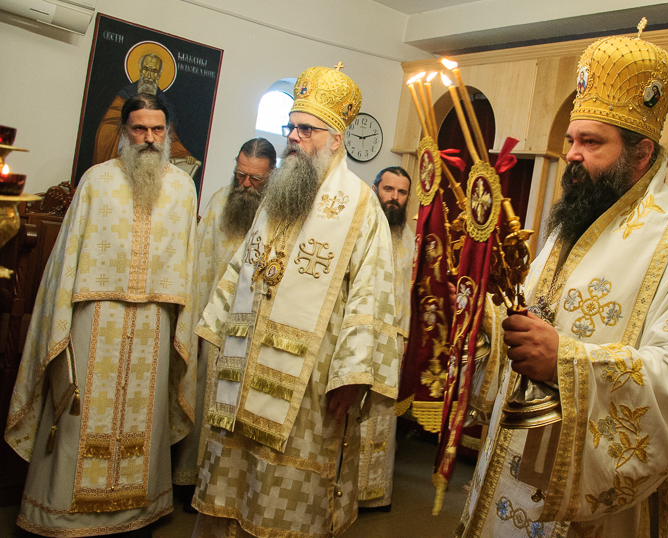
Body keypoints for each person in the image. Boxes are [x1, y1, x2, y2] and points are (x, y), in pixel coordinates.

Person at [456, 34, 668, 538]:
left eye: (591, 142)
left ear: (641, 153)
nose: (572, 155)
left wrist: (565, 361)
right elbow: (535, 315)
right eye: (570, 141)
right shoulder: (571, 228)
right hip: (516, 459)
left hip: (597, 503)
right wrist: (487, 323)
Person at [191, 65, 401, 537]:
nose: (293, 137)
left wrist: (352, 376)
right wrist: (216, 326)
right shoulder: (279, 193)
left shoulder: (360, 206)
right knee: (231, 485)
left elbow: (371, 295)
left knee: (284, 498)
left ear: (335, 139)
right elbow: (243, 265)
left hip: (310, 384)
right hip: (244, 364)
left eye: (306, 129)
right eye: (291, 127)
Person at [5, 93, 198, 537]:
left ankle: (136, 514)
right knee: (79, 413)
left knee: (144, 418)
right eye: (139, 128)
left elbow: (187, 264)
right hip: (94, 316)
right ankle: (62, 514)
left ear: (168, 133)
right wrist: (61, 318)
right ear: (123, 132)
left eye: (157, 129)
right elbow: (66, 257)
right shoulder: (96, 180)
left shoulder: (183, 189)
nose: (148, 138)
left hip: (154, 321)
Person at [171, 137, 276, 502]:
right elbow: (199, 265)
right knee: (205, 400)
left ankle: (226, 489)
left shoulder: (281, 215)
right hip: (213, 328)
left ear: (271, 175)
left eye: (255, 179)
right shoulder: (219, 202)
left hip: (253, 331)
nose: (245, 185)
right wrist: (196, 322)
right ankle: (192, 480)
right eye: (240, 175)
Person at [358, 166, 416, 511]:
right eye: (388, 189)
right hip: (358, 334)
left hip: (392, 340)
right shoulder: (360, 225)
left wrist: (404, 339)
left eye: (402, 192)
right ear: (375, 188)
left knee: (382, 417)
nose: (394, 198)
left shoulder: (409, 237)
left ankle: (374, 493)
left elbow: (408, 295)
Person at [94, 53, 198, 176]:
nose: (149, 75)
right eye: (146, 69)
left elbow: (171, 137)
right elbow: (107, 128)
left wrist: (184, 155)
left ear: (159, 74)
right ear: (140, 70)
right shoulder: (124, 96)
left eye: (153, 71)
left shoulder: (165, 104)